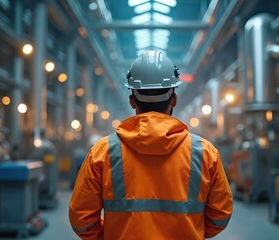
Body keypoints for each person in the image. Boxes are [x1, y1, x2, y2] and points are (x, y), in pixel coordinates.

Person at [69, 50, 233, 239]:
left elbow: (81, 220)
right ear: (174, 100)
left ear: (132, 101)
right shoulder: (204, 153)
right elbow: (220, 216)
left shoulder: (102, 152)